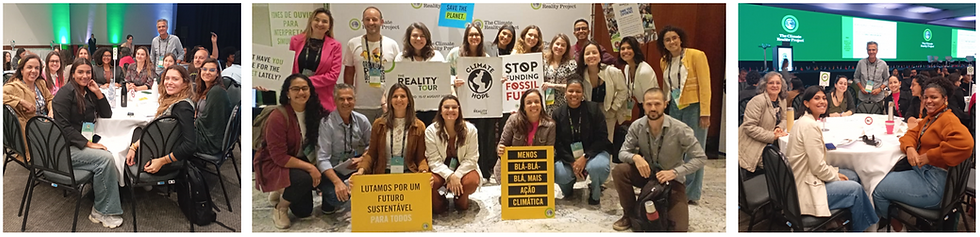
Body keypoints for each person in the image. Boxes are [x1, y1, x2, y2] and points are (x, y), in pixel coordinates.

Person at [873, 82, 974, 231]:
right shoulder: (932, 118)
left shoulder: (948, 119)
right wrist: (910, 149)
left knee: (876, 188)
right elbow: (910, 134)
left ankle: (898, 227)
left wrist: (929, 156)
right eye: (926, 97)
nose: (928, 101)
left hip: (935, 185)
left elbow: (966, 143)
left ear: (945, 99)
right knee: (883, 176)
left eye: (934, 97)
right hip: (925, 174)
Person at [785, 86, 878, 232]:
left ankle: (841, 220)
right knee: (856, 190)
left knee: (852, 175)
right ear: (806, 103)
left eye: (823, 98)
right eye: (816, 98)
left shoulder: (804, 121)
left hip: (801, 176)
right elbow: (818, 168)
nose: (822, 101)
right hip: (804, 188)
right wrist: (835, 175)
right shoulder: (809, 127)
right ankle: (862, 229)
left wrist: (835, 174)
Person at [613, 87, 706, 231]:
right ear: (643, 105)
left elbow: (700, 158)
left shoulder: (680, 129)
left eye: (657, 104)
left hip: (672, 180)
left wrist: (675, 172)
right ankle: (629, 214)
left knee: (679, 229)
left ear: (665, 104)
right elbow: (622, 153)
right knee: (619, 170)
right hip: (647, 175)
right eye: (649, 104)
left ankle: (659, 203)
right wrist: (636, 157)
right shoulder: (636, 126)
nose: (653, 108)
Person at [51, 58, 124, 228]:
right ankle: (103, 211)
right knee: (105, 159)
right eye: (80, 72)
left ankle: (101, 205)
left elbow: (106, 114)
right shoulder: (65, 93)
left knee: (111, 151)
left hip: (81, 141)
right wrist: (88, 144)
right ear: (73, 74)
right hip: (65, 148)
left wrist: (98, 92)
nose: (85, 76)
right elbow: (63, 127)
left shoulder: (88, 91)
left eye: (88, 72)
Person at [253, 74, 326, 229]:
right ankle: (281, 207)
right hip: (274, 162)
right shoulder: (278, 116)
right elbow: (279, 157)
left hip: (299, 160)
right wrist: (311, 168)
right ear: (287, 93)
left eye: (305, 88)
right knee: (304, 179)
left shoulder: (314, 112)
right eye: (295, 89)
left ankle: (282, 189)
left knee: (304, 212)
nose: (301, 92)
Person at [657, 25, 710, 203]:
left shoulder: (696, 55)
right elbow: (668, 87)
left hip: (694, 107)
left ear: (680, 39)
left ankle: (691, 193)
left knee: (694, 150)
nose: (671, 42)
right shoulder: (664, 61)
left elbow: (705, 85)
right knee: (676, 148)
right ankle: (678, 187)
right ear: (663, 44)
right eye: (667, 39)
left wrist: (705, 112)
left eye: (674, 38)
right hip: (674, 107)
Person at [446, 24, 497, 182]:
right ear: (466, 37)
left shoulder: (486, 57)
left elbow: (491, 77)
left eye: (477, 35)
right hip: (460, 104)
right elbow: (445, 74)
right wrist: (454, 82)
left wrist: (498, 79)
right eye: (471, 35)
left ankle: (482, 172)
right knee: (462, 138)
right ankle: (459, 173)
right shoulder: (455, 54)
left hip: (481, 105)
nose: (474, 38)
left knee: (480, 137)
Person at [124, 65, 196, 175]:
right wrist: (133, 147)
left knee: (130, 134)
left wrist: (162, 161)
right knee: (135, 132)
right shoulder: (173, 100)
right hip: (157, 150)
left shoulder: (183, 108)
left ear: (185, 83)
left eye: (175, 79)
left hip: (160, 161)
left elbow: (189, 145)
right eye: (167, 78)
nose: (169, 82)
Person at [315, 83, 372, 214]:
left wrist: (363, 159)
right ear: (335, 100)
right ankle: (329, 195)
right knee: (337, 198)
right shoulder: (326, 123)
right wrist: (337, 182)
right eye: (341, 99)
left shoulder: (362, 120)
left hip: (352, 164)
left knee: (375, 166)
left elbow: (372, 145)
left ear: (355, 100)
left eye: (349, 98)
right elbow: (322, 159)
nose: (346, 102)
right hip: (331, 170)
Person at [553, 79, 611, 204]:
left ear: (583, 93)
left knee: (598, 167)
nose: (574, 94)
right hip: (569, 157)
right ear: (565, 92)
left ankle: (595, 191)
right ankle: (567, 190)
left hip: (594, 153)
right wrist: (572, 162)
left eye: (578, 91)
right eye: (571, 91)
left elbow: (602, 137)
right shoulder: (557, 113)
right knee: (559, 173)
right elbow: (557, 143)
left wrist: (585, 157)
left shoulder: (594, 109)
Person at [352, 83, 428, 175]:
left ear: (409, 101)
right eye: (395, 96)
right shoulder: (378, 124)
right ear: (390, 100)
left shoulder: (419, 126)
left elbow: (421, 158)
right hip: (383, 174)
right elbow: (371, 154)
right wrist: (361, 170)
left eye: (403, 96)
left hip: (409, 174)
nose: (399, 99)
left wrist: (423, 171)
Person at [343, 6, 400, 124]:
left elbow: (397, 74)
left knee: (386, 141)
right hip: (361, 104)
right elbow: (349, 72)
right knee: (362, 141)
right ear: (363, 22)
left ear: (382, 22)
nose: (371, 22)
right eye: (367, 19)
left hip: (386, 104)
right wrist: (350, 97)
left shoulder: (392, 44)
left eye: (374, 19)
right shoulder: (353, 43)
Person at [425, 95, 480, 213]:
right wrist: (450, 176)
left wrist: (457, 176)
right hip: (441, 170)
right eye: (446, 107)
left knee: (471, 182)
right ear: (440, 110)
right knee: (433, 188)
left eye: (454, 107)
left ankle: (459, 198)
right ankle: (440, 199)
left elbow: (472, 158)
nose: (450, 110)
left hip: (464, 170)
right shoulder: (430, 131)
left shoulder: (471, 130)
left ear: (459, 110)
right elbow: (434, 161)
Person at [494, 89, 557, 183]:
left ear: (541, 105)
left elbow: (549, 153)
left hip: (538, 167)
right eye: (529, 102)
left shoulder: (550, 125)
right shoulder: (513, 120)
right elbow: (502, 144)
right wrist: (500, 149)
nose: (533, 105)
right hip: (514, 166)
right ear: (523, 106)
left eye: (536, 102)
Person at [291, 7, 343, 112]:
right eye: (317, 20)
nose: (320, 23)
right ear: (311, 22)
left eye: (324, 21)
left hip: (323, 100)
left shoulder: (335, 46)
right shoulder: (295, 41)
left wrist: (306, 82)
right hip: (297, 98)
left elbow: (333, 76)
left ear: (329, 26)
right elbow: (288, 68)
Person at [395, 22, 445, 126]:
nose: (418, 39)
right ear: (409, 38)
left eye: (422, 36)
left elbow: (444, 80)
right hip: (410, 110)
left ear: (427, 39)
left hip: (433, 109)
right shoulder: (401, 58)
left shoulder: (437, 56)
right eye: (415, 35)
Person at [578, 41, 628, 142]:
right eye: (587, 53)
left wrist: (614, 108)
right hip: (589, 114)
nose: (591, 56)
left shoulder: (612, 72)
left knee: (607, 142)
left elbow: (623, 91)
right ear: (583, 58)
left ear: (600, 56)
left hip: (608, 112)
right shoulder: (581, 74)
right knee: (590, 143)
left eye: (594, 52)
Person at [738, 72, 788, 171]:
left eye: (778, 83)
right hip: (754, 145)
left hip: (772, 144)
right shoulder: (757, 101)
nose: (775, 86)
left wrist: (779, 128)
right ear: (765, 85)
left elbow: (784, 119)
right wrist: (772, 136)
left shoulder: (782, 100)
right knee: (779, 167)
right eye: (771, 83)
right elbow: (749, 127)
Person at [4, 54, 53, 137]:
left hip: (46, 125)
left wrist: (51, 110)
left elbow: (50, 98)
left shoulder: (40, 83)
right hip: (28, 132)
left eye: (37, 68)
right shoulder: (15, 86)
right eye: (29, 67)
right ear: (22, 70)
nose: (33, 71)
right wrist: (21, 101)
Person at [193, 58, 231, 155]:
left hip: (209, 141)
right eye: (204, 69)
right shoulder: (205, 89)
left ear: (218, 73)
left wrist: (189, 124)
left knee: (176, 132)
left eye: (212, 70)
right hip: (203, 132)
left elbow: (208, 121)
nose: (207, 72)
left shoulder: (216, 92)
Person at [618, 36, 659, 121]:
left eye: (629, 48)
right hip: (642, 107)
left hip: (653, 109)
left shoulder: (644, 71)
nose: (625, 51)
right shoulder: (626, 68)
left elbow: (652, 98)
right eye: (622, 49)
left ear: (635, 50)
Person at [542, 33, 581, 115]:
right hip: (545, 105)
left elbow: (571, 87)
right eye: (557, 44)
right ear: (552, 45)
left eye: (563, 45)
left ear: (566, 48)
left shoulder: (571, 64)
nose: (559, 47)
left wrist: (551, 85)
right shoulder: (543, 62)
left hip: (564, 105)